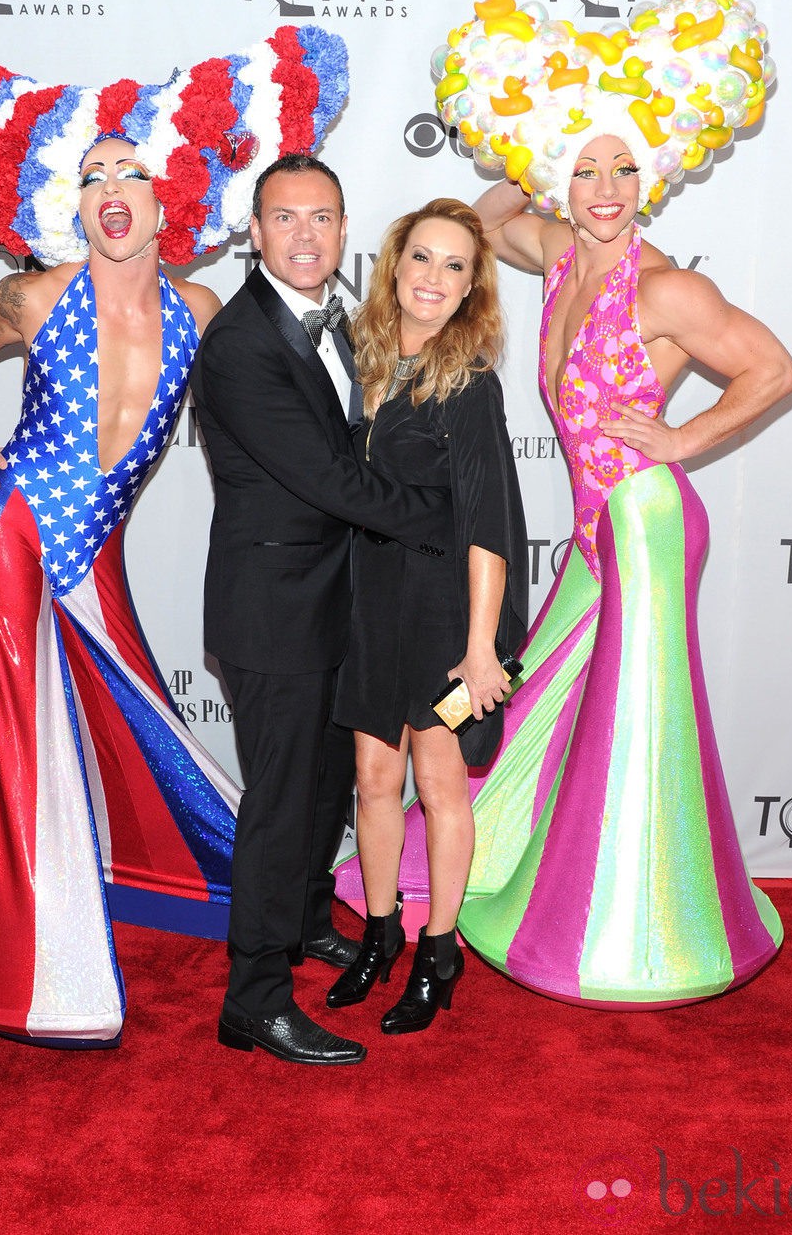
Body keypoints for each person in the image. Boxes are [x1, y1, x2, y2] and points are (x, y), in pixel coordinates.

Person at [0, 29, 349, 1046]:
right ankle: (26, 963)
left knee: (126, 705)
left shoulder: (200, 308)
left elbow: (266, 407)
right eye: (93, 173)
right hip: (13, 527)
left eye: (130, 172)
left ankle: (216, 881)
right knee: (23, 739)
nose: (111, 186)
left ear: (166, 200)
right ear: (72, 202)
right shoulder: (41, 294)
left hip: (93, 547)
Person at [426, 0, 792, 1007]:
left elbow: (773, 370)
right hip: (597, 524)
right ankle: (556, 875)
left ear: (651, 179)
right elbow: (487, 211)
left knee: (636, 715)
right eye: (583, 170)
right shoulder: (555, 250)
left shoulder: (667, 287)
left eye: (621, 171)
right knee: (553, 688)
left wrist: (683, 443)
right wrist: (541, 147)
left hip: (643, 522)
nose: (601, 190)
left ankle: (643, 929)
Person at [191, 155, 457, 1066]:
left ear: (346, 230)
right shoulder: (240, 345)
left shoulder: (338, 320)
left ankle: (305, 922)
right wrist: (448, 516)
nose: (306, 235)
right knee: (277, 802)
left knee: (320, 788)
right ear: (254, 232)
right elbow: (334, 481)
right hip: (272, 610)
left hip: (336, 601)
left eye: (324, 217)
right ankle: (253, 999)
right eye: (286, 218)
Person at [327, 199, 528, 1034]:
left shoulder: (469, 384)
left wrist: (482, 649)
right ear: (395, 265)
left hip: (448, 617)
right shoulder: (361, 359)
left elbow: (490, 525)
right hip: (369, 605)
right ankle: (379, 932)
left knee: (442, 791)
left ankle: (437, 952)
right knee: (375, 782)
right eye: (422, 259)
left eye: (455, 265)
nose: (434, 278)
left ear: (473, 286)